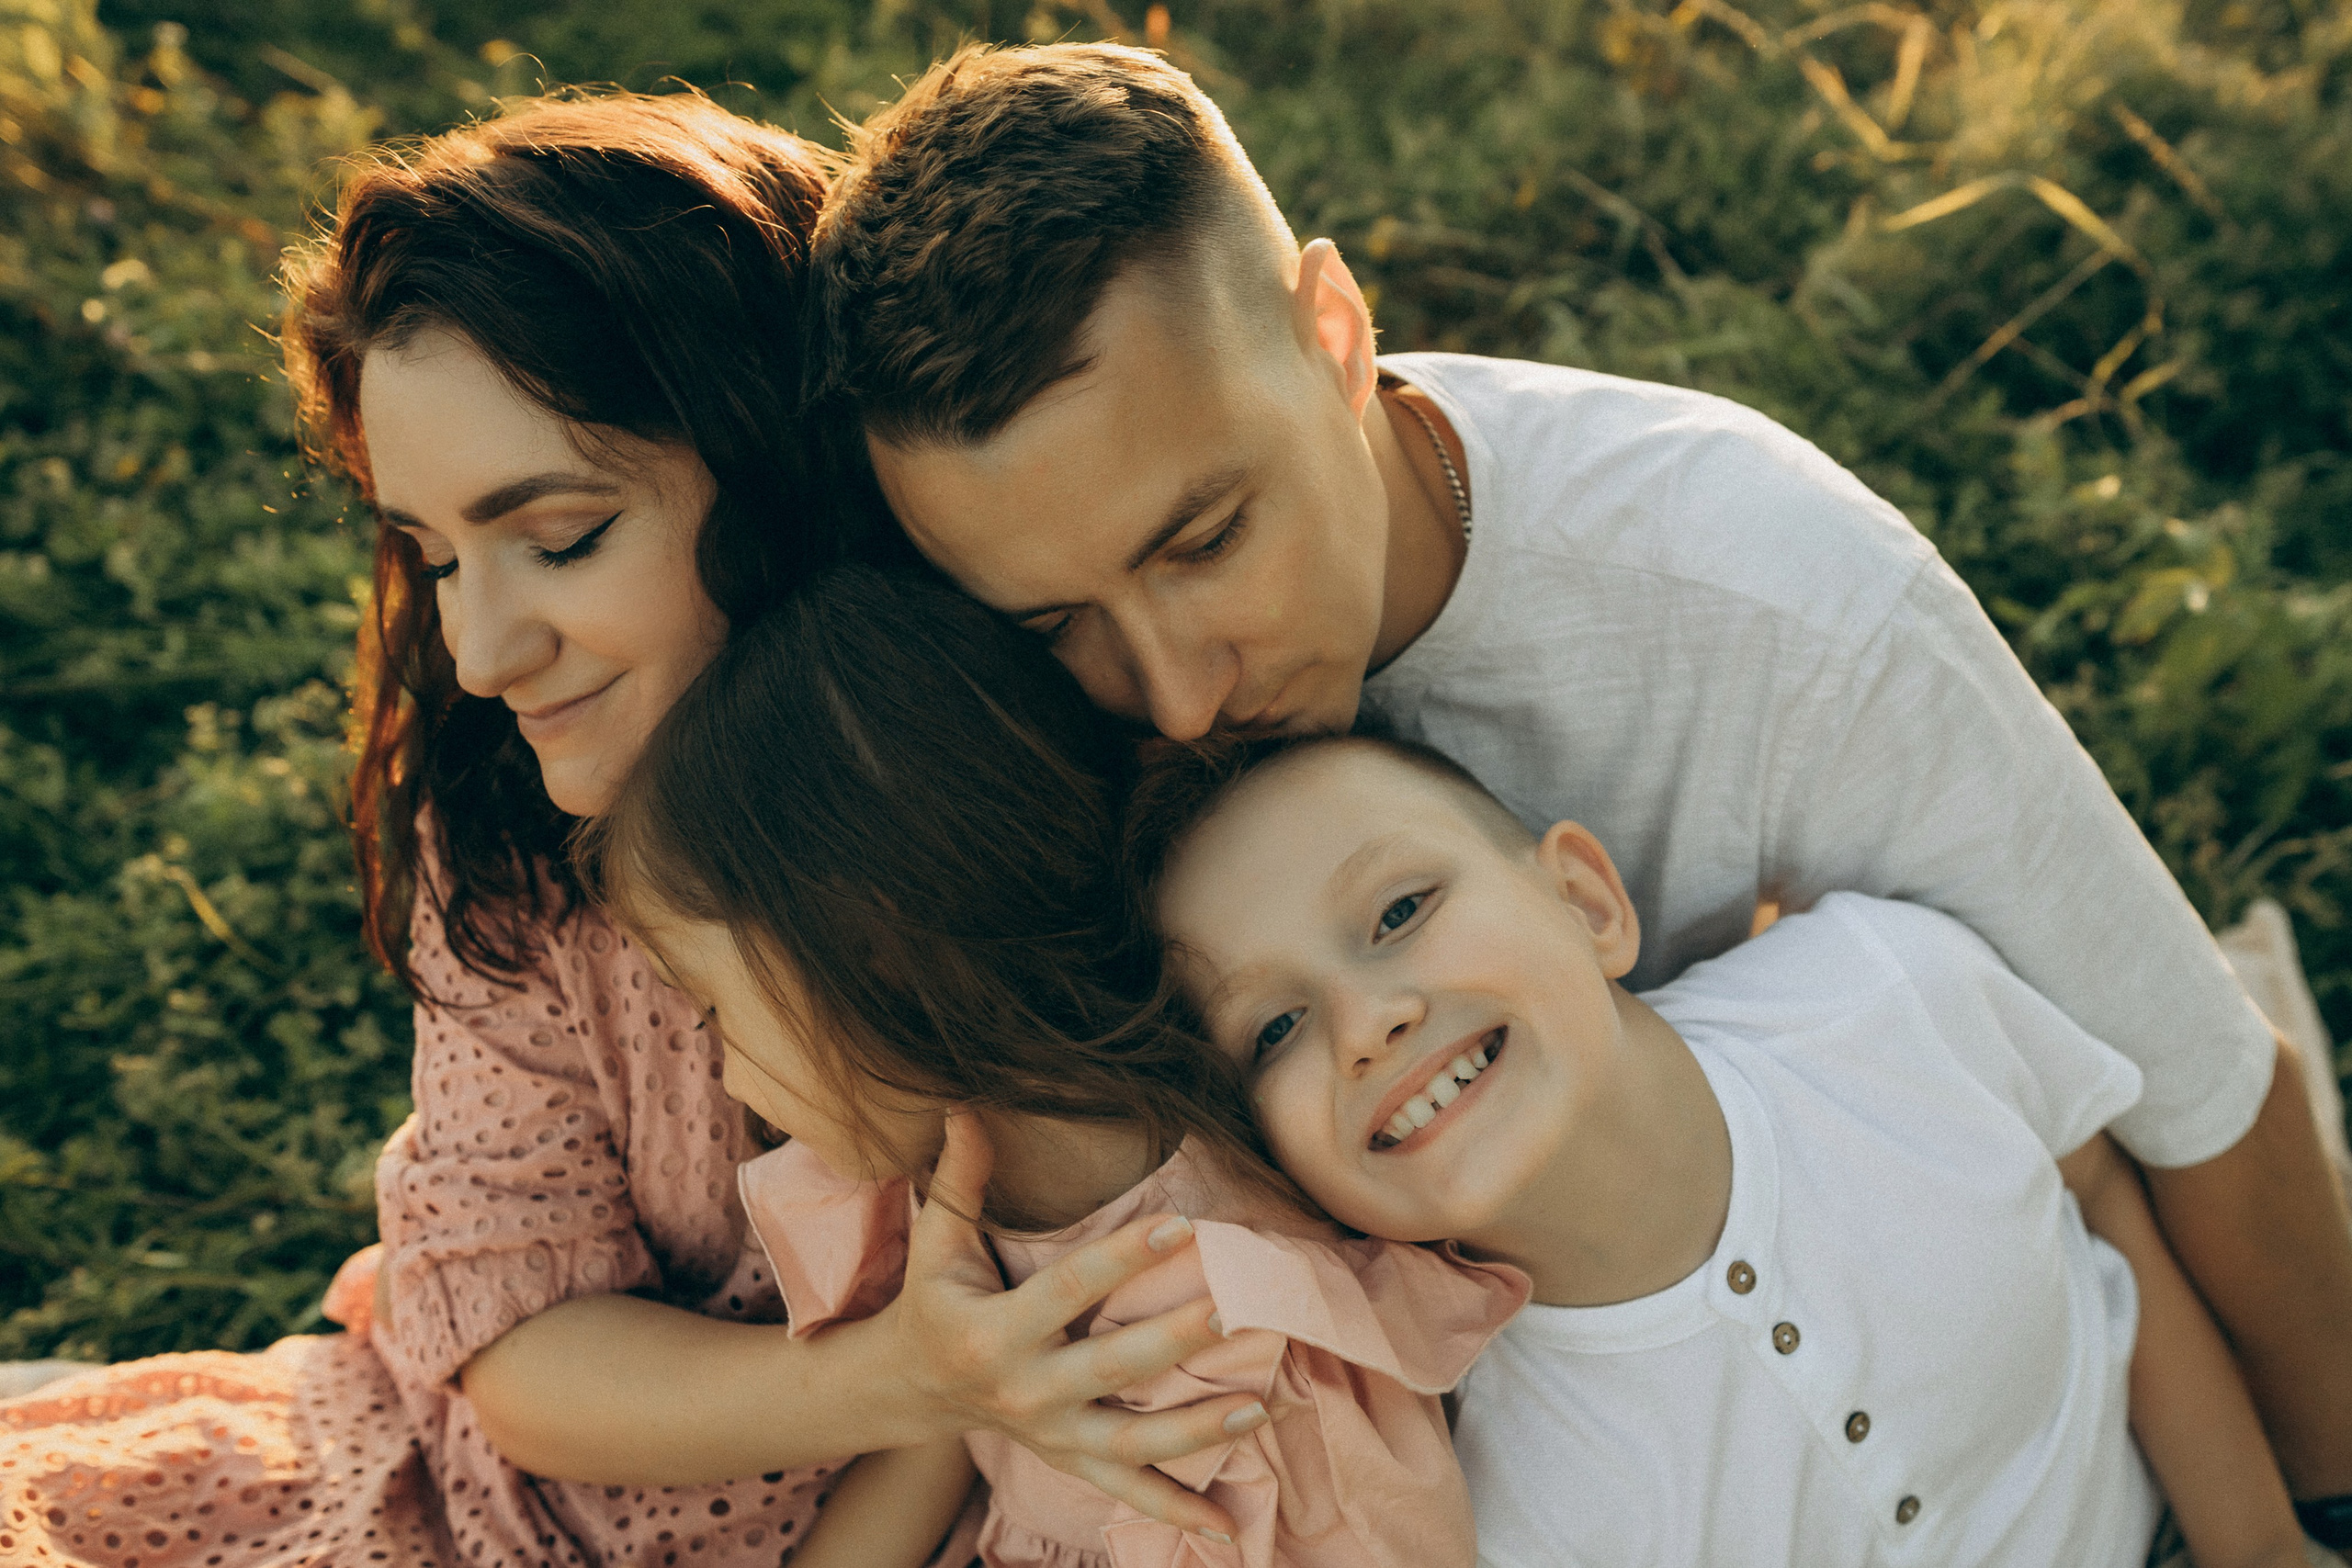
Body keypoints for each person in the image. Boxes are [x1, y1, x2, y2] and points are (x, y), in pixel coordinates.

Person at [803, 40, 2352, 1527]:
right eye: (1053, 622)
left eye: (1205, 541)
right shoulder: (978, 714)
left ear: (1335, 338)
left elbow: (2195, 1085)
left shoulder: (1775, 596)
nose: (1174, 695)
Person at [0, 90, 1248, 1568]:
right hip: (494, 1513)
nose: (479, 650)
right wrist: (901, 1375)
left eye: (562, 536)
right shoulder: (514, 838)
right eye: (434, 553)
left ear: (777, 462)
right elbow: (518, 1349)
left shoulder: (1033, 757)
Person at [1134, 728, 2324, 1568]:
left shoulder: (1886, 991)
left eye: (1400, 910)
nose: (1366, 1021)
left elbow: (2105, 1200)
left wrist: (2260, 1543)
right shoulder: (1477, 1469)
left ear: (1588, 900)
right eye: (1274, 1028)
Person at [580, 566, 1525, 1568]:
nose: (727, 1080)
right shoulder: (976, 1183)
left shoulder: (1214, 1337)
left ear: (873, 966)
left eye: (721, 1014)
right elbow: (945, 1445)